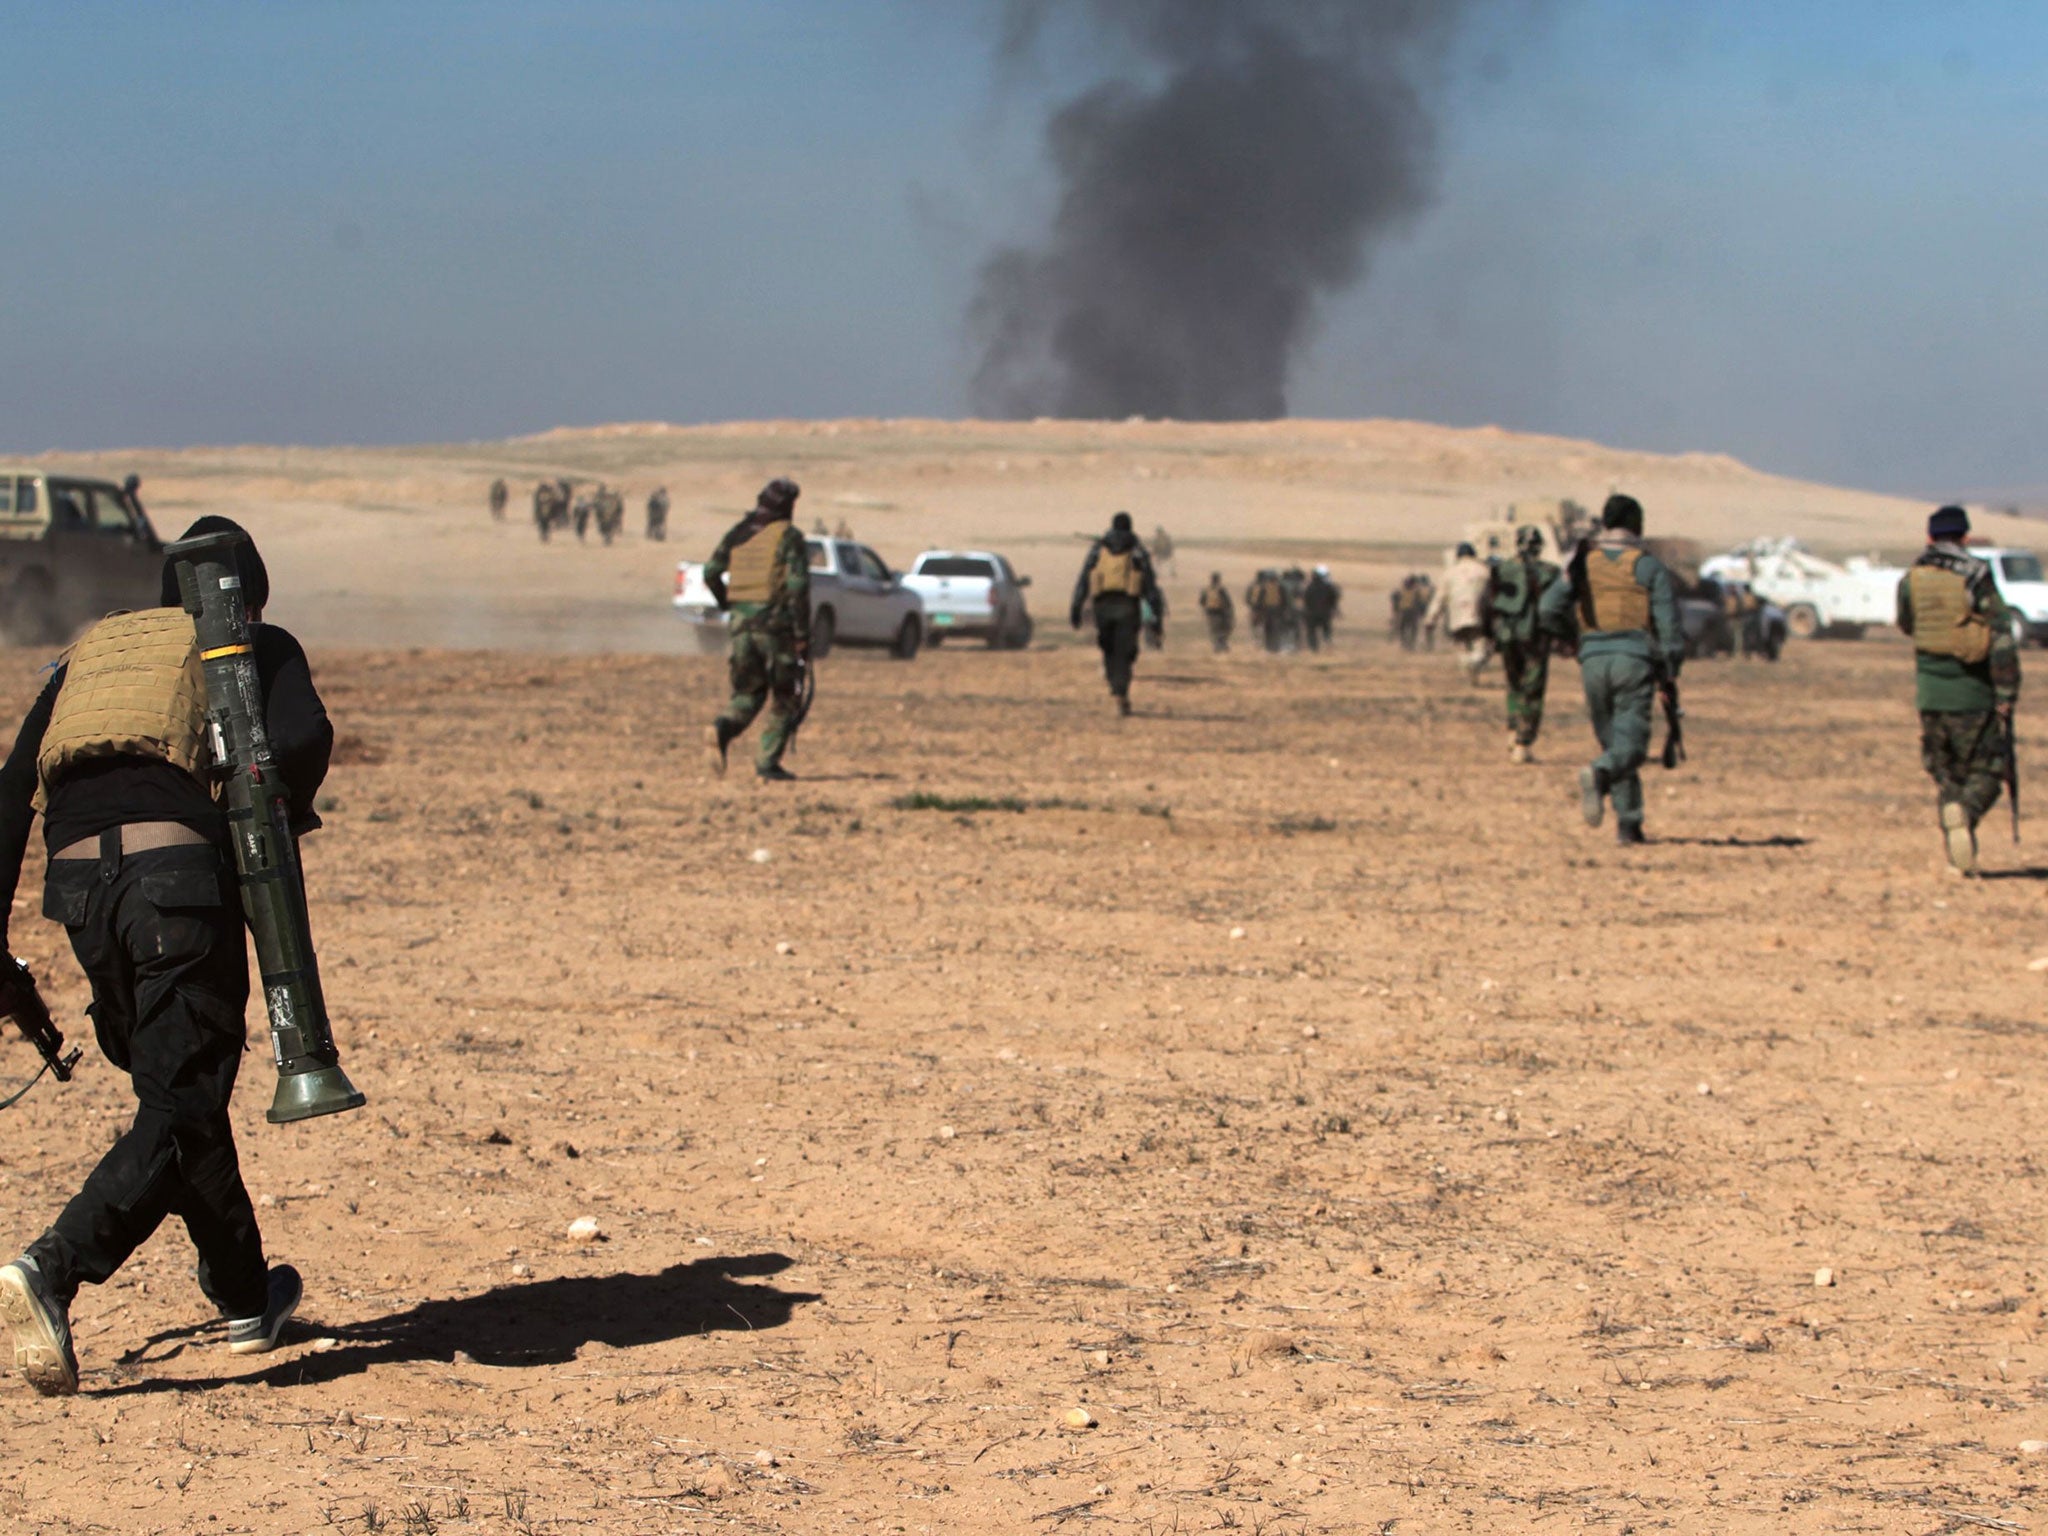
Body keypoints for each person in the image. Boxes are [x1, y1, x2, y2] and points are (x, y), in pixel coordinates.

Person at [0, 517, 329, 1394]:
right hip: (173, 878)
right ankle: (52, 1268)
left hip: (77, 888)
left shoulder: (93, 654)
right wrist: (249, 819)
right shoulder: (246, 639)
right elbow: (301, 741)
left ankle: (243, 1295)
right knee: (183, 1093)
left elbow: (10, 795)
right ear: (245, 594)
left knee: (177, 1087)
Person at [1539, 493, 1684, 844]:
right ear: (1637, 525)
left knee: (1614, 741)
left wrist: (1574, 640)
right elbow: (1669, 629)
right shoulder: (1648, 566)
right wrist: (1670, 669)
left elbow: (1547, 608)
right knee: (1630, 746)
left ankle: (1629, 824)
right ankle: (1599, 774)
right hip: (1633, 662)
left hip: (1592, 662)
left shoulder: (1583, 563)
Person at [1897, 504, 2021, 874]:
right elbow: (2000, 636)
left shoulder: (1912, 578)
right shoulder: (1976, 575)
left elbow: (1906, 623)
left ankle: (1959, 860)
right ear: (1965, 537)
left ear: (1929, 538)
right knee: (1988, 771)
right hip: (1973, 691)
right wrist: (2006, 693)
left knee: (1947, 774)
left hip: (1931, 693)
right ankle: (1966, 814)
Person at [704, 479, 811, 782]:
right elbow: (798, 586)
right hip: (775, 627)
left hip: (740, 627)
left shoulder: (738, 534)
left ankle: (721, 728)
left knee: (748, 692)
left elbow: (711, 571)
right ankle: (767, 762)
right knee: (786, 694)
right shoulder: (789, 537)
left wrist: (729, 604)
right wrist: (802, 634)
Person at [1071, 512, 1163, 716]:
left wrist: (1076, 608)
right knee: (1125, 650)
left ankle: (1115, 686)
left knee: (1108, 647)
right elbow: (1150, 586)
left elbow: (1084, 579)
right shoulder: (1137, 550)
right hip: (1128, 606)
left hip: (1102, 605)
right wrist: (1156, 617)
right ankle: (1121, 691)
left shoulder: (1099, 548)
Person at [1489, 525, 1562, 763]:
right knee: (1532, 689)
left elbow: (1490, 602)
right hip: (1535, 637)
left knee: (1513, 684)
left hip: (1508, 636)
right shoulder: (1549, 573)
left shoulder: (1502, 568)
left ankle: (1512, 731)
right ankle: (1523, 741)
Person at [1425, 544, 1493, 682]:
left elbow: (1440, 598)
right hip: (1479, 616)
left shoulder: (1449, 573)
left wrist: (1430, 619)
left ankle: (1470, 677)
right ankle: (1474, 668)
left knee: (1462, 648)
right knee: (1480, 647)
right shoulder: (1485, 571)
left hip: (1457, 618)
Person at [1302, 566, 1341, 652]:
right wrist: (1334, 609)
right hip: (1325, 613)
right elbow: (1334, 599)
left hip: (1311, 613)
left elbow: (1306, 599)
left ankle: (1314, 649)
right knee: (1326, 630)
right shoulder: (1328, 587)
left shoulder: (1309, 587)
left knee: (1311, 631)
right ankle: (1327, 644)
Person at [1198, 571, 1235, 653]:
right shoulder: (1222, 590)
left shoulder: (1206, 590)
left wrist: (1206, 609)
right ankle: (1222, 647)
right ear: (1218, 580)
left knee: (1214, 632)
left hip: (1211, 614)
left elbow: (1201, 602)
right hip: (1222, 614)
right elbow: (1228, 602)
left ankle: (1217, 648)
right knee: (1223, 631)